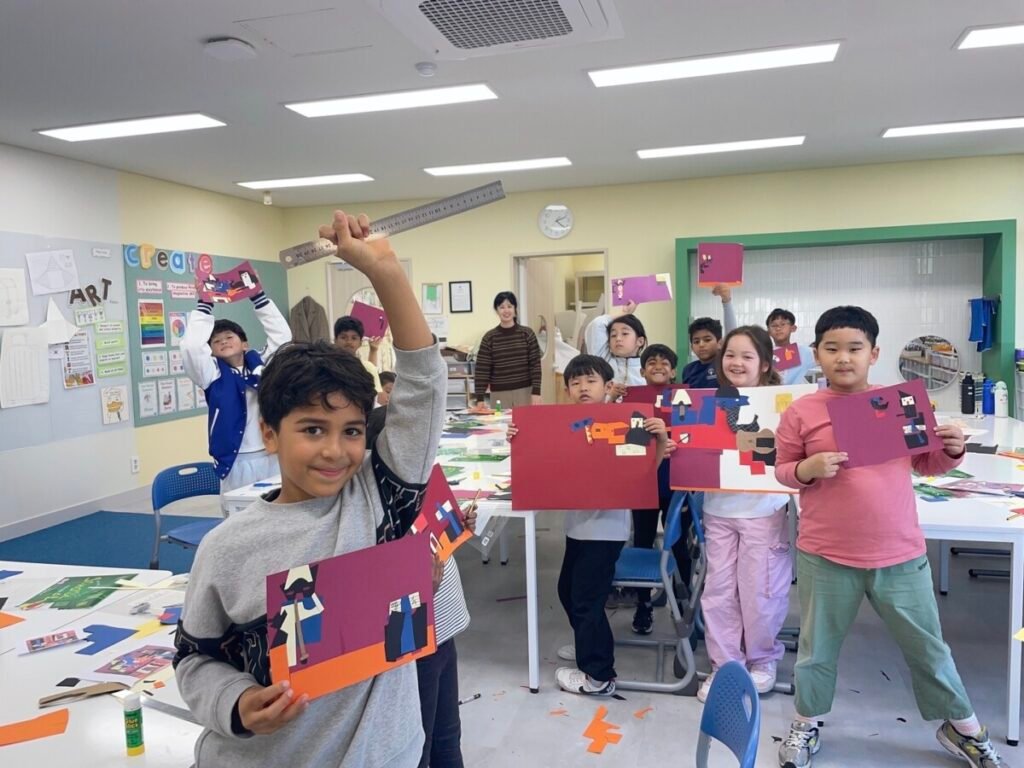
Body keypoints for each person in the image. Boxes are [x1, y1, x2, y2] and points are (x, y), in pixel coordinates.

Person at [174, 210, 448, 768]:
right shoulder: (226, 548)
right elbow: (195, 659)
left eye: (352, 431)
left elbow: (422, 387)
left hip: (383, 754)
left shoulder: (378, 499)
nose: (335, 451)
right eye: (313, 430)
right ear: (270, 434)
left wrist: (386, 273)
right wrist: (237, 702)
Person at [774, 306, 1006, 768]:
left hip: (899, 552)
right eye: (832, 348)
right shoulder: (802, 412)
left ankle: (965, 729)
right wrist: (806, 469)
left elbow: (927, 463)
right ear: (817, 353)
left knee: (929, 648)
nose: (844, 358)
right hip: (826, 554)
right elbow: (783, 470)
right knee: (817, 651)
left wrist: (952, 450)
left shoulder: (899, 404)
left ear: (874, 354)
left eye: (855, 348)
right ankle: (806, 722)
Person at [507, 354, 670, 695]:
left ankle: (598, 676)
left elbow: (642, 473)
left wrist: (658, 444)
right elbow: (543, 458)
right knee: (568, 591)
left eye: (591, 380)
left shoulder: (626, 423)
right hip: (578, 526)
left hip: (605, 531)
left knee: (585, 599)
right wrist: (520, 438)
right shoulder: (566, 425)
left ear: (608, 386)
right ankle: (588, 640)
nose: (583, 387)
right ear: (567, 389)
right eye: (575, 382)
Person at [697, 326, 790, 702]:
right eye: (730, 355)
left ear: (764, 364)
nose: (736, 363)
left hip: (762, 511)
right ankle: (724, 664)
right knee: (718, 590)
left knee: (760, 589)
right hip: (718, 509)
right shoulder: (708, 401)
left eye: (747, 356)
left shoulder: (781, 404)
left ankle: (762, 659)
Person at [180, 276, 291, 493]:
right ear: (211, 351)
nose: (223, 341)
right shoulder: (210, 374)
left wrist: (257, 296)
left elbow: (283, 339)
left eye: (229, 337)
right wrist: (205, 303)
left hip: (272, 453)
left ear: (245, 344)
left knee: (277, 509)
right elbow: (191, 347)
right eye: (216, 341)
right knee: (239, 512)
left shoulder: (263, 364)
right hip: (236, 461)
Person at [630, 343, 690, 635]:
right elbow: (627, 441)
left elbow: (695, 433)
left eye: (664, 362)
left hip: (678, 479)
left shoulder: (685, 398)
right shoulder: (633, 400)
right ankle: (643, 604)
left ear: (674, 371)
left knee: (678, 542)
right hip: (644, 482)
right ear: (642, 371)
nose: (658, 366)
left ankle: (685, 601)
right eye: (651, 362)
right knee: (642, 541)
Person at [473, 291, 542, 410]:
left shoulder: (527, 334)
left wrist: (536, 392)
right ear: (497, 310)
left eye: (509, 306)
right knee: (501, 422)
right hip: (499, 394)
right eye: (502, 307)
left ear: (515, 309)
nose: (506, 311)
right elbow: (482, 370)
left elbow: (535, 365)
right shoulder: (489, 338)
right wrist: (480, 398)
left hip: (525, 392)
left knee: (526, 421)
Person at [584, 301, 647, 401]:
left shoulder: (647, 367)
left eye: (624, 333)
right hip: (609, 410)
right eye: (613, 335)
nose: (618, 338)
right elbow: (597, 325)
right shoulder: (604, 361)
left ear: (640, 341)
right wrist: (624, 313)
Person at [680, 285, 737, 388]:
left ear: (720, 343)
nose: (701, 345)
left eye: (707, 340)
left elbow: (733, 336)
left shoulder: (725, 363)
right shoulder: (688, 370)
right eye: (696, 341)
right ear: (691, 347)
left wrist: (726, 301)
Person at [766, 308, 817, 385]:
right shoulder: (766, 354)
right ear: (768, 332)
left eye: (783, 324)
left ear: (793, 328)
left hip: (799, 391)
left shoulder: (804, 352)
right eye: (774, 325)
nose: (778, 328)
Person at [334, 314, 383, 392]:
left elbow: (376, 396)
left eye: (354, 338)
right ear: (335, 340)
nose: (349, 342)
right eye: (343, 337)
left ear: (360, 342)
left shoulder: (368, 368)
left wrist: (373, 350)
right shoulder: (327, 366)